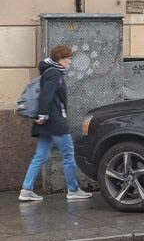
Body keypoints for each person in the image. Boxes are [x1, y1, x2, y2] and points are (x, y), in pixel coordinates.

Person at [19, 45, 92, 203]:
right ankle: (73, 190)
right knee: (68, 154)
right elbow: (46, 95)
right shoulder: (54, 73)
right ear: (60, 58)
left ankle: (26, 190)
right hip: (55, 121)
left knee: (40, 156)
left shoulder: (49, 71)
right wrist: (43, 114)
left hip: (47, 122)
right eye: (68, 59)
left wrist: (43, 116)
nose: (70, 62)